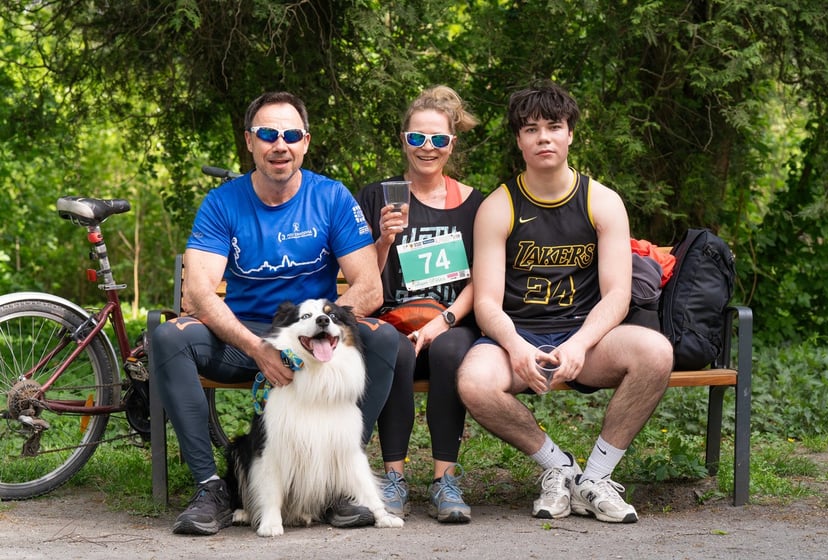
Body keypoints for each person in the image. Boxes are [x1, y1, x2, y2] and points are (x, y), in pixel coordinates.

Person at [151, 91, 399, 535]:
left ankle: (338, 485)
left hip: (312, 338)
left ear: (305, 141)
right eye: (267, 134)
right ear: (250, 141)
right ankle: (212, 487)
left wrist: (318, 334)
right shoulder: (222, 203)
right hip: (242, 339)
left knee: (381, 338)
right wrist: (258, 348)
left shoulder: (332, 198)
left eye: (289, 135)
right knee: (169, 337)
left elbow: (368, 287)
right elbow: (198, 293)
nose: (278, 144)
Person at [456, 81, 673, 524]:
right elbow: (488, 304)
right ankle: (559, 468)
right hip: (519, 338)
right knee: (473, 382)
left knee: (656, 351)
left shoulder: (602, 201)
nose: (544, 137)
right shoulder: (499, 207)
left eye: (554, 127)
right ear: (519, 140)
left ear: (570, 133)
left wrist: (579, 344)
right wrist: (516, 347)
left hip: (586, 339)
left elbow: (617, 294)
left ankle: (595, 478)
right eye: (531, 129)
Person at [356, 86, 483, 523]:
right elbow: (362, 279)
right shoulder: (377, 197)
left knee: (449, 350)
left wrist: (442, 322)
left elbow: (482, 282)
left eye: (438, 140)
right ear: (403, 139)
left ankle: (445, 480)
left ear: (452, 144)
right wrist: (385, 239)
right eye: (417, 138)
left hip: (452, 321)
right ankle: (393, 478)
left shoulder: (475, 204)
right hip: (391, 320)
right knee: (393, 345)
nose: (427, 148)